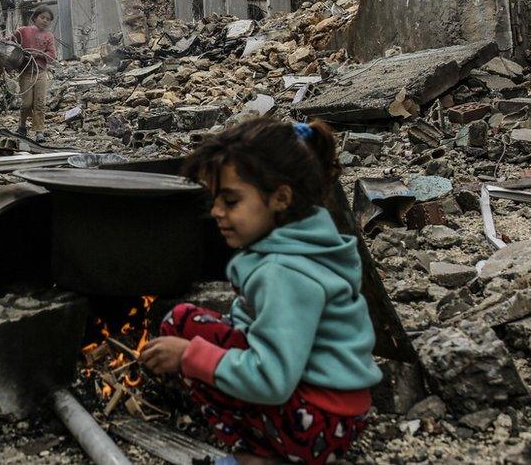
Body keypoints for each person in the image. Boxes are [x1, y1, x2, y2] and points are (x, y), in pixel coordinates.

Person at [140, 118, 381, 465]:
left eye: (231, 201)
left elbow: (271, 380)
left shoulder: (283, 273)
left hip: (320, 422)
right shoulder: (304, 243)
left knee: (185, 336)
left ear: (280, 197)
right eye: (215, 200)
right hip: (333, 411)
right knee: (187, 324)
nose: (216, 212)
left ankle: (260, 458)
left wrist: (188, 357)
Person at [9, 6, 56, 142]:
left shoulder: (49, 36)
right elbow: (9, 40)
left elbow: (52, 55)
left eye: (48, 19)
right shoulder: (23, 31)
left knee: (40, 103)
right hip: (26, 73)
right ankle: (22, 126)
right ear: (35, 17)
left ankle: (39, 132)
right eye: (42, 17)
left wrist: (38, 54)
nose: (45, 21)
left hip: (40, 73)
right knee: (27, 104)